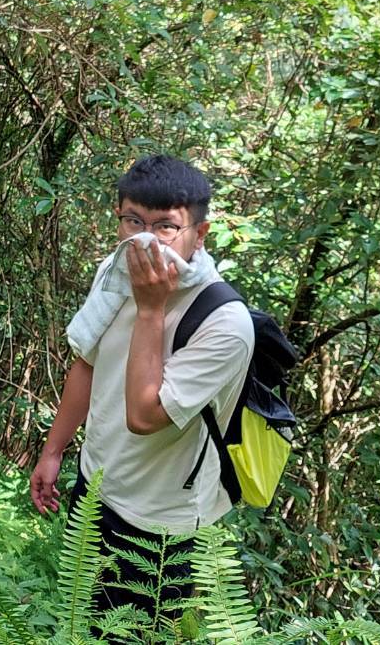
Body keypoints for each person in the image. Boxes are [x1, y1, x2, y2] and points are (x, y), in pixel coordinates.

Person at [29, 155, 254, 616]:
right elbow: (87, 364)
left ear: (200, 234)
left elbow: (145, 415)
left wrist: (152, 309)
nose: (147, 240)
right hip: (94, 489)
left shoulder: (226, 324)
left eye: (166, 227)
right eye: (133, 221)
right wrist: (54, 452)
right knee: (78, 620)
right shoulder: (115, 276)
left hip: (160, 522)